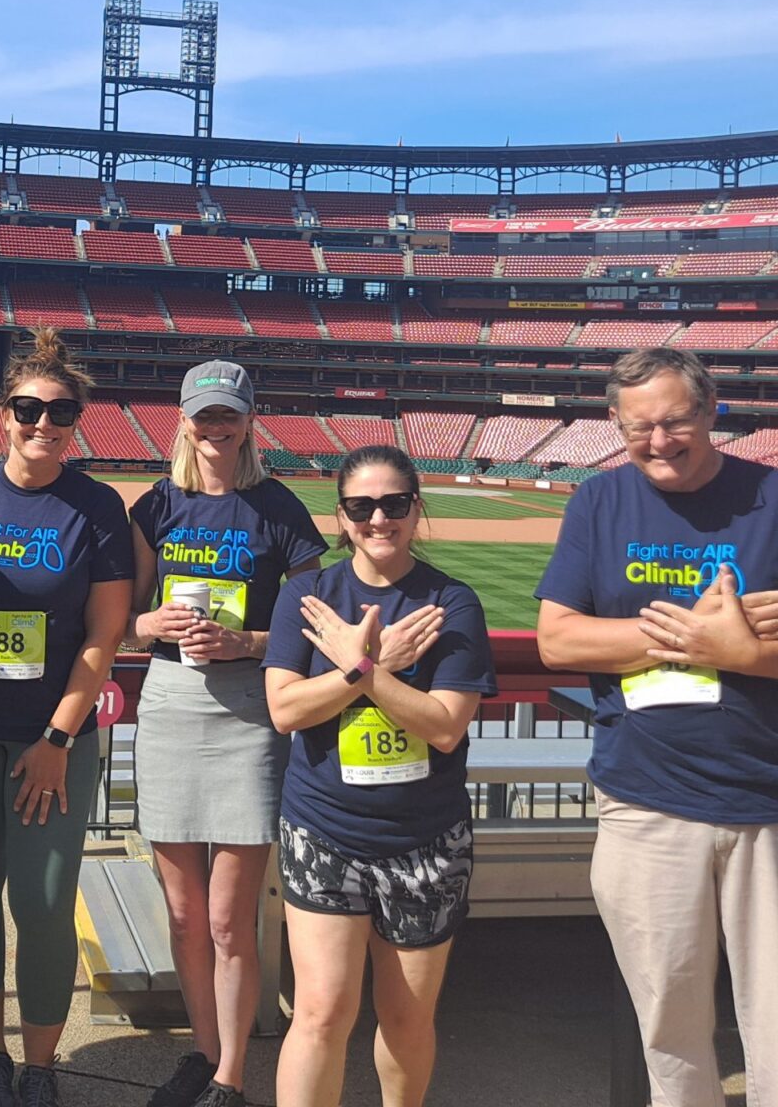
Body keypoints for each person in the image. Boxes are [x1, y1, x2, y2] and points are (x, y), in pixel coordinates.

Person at [535, 346, 778, 1107]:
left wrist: (747, 652)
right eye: (638, 428)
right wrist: (695, 635)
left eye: (675, 422)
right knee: (671, 1036)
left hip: (777, 806)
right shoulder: (599, 501)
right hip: (645, 803)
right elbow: (557, 640)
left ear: (710, 412)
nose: (658, 442)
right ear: (614, 427)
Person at [0, 329, 134, 1107]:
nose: (44, 424)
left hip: (56, 738)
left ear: (79, 419)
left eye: (60, 412)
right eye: (28, 409)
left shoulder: (96, 508)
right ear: (1, 413)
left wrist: (57, 738)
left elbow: (104, 638)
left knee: (42, 902)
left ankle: (41, 1064)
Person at [264, 445, 495, 1107]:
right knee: (320, 1014)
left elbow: (445, 725)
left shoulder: (452, 602)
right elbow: (285, 709)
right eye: (362, 507)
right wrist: (358, 670)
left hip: (426, 840)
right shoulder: (307, 598)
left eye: (394, 504)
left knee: (406, 1019)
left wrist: (366, 670)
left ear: (416, 510)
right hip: (324, 831)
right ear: (341, 517)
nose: (379, 520)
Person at [126, 362, 326, 1107]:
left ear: (249, 422)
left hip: (249, 710)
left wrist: (246, 643)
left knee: (226, 918)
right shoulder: (158, 504)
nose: (216, 429)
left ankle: (233, 1076)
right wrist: (151, 624)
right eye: (204, 416)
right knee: (182, 913)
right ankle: (203, 1056)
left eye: (228, 416)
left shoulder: (277, 509)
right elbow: (125, 618)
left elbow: (310, 628)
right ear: (184, 420)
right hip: (172, 704)